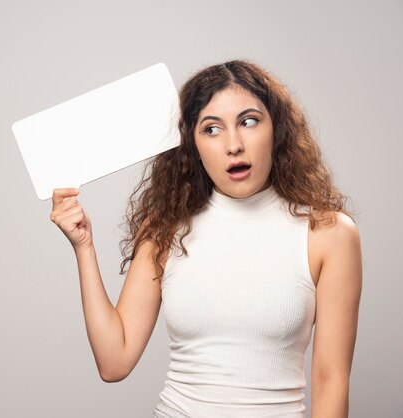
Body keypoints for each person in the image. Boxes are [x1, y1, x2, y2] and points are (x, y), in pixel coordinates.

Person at [49, 59, 362, 418]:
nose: (234, 144)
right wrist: (83, 246)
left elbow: (331, 380)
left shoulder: (329, 234)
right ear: (192, 145)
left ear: (277, 130)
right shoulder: (165, 228)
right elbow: (114, 361)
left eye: (249, 121)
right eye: (211, 129)